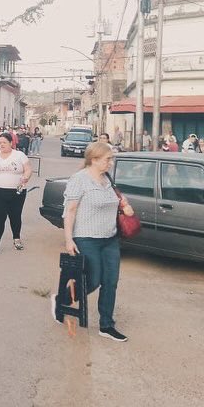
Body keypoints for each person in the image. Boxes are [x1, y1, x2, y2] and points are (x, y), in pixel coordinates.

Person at [56, 141, 133, 342]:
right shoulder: (79, 179)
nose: (111, 163)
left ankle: (106, 325)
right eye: (108, 159)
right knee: (93, 280)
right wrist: (68, 239)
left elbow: (115, 201)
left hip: (110, 239)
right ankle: (61, 300)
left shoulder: (107, 178)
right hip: (87, 238)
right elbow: (70, 211)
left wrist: (124, 206)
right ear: (95, 159)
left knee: (111, 282)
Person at [0, 132, 32, 255]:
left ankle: (16, 238)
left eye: (4, 142)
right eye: (0, 142)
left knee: (15, 215)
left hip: (17, 190)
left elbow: (28, 169)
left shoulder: (19, 155)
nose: (1, 145)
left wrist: (25, 177)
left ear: (10, 143)